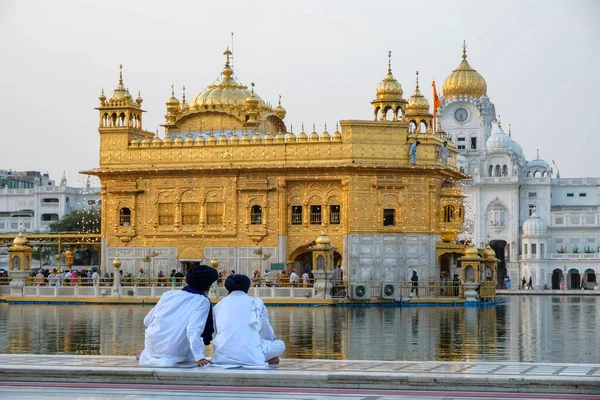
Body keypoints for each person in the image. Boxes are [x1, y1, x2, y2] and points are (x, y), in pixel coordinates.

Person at [138, 265, 218, 367]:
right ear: (208, 285)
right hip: (175, 352)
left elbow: (147, 321)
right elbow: (193, 330)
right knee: (186, 351)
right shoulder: (202, 301)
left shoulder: (168, 294)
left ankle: (147, 355)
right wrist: (200, 357)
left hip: (151, 347)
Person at [211, 274, 286, 367]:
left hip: (222, 356)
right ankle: (266, 357)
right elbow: (267, 334)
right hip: (251, 357)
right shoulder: (256, 303)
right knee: (280, 344)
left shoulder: (219, 305)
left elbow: (216, 332)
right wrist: (269, 349)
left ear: (227, 288)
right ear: (247, 288)